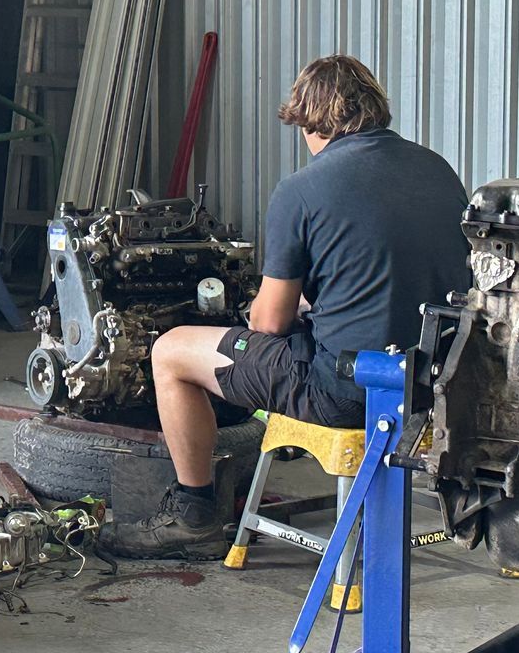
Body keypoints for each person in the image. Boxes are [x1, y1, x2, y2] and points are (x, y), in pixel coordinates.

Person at [112, 56, 471, 559]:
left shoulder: (301, 190)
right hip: (432, 385)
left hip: (347, 391)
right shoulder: (436, 168)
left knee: (171, 352)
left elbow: (269, 322)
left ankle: (193, 514)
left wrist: (289, 304)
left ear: (311, 119)